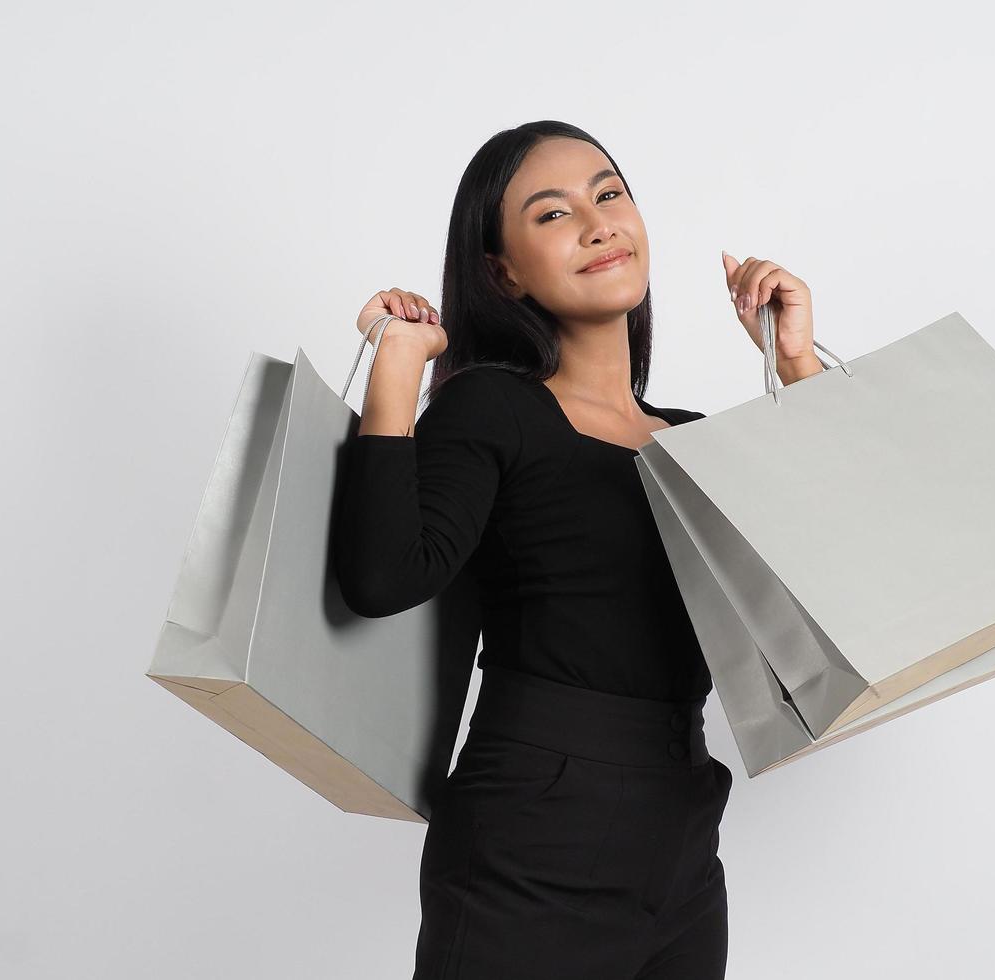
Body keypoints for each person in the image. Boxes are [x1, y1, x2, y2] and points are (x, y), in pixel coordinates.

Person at [330, 120, 828, 980]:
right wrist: (399, 366)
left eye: (608, 195)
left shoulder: (696, 442)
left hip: (682, 827)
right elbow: (382, 575)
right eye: (553, 214)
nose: (598, 224)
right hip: (536, 825)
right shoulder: (493, 407)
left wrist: (793, 364)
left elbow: (840, 586)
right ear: (502, 271)